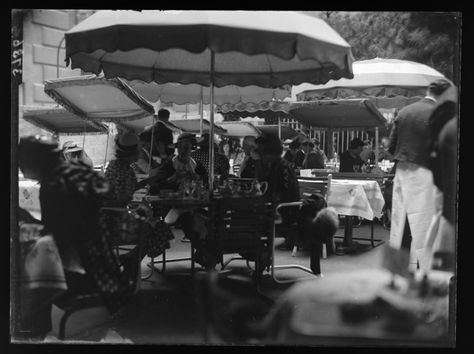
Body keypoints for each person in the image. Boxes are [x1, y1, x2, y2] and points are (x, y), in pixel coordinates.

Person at [18, 135, 136, 338]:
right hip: (104, 266)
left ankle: (33, 331)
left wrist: (27, 223)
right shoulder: (76, 172)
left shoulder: (54, 184)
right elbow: (102, 192)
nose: (21, 169)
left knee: (26, 278)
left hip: (83, 272)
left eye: (23, 163)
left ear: (36, 161)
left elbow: (59, 237)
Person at [387, 78, 452, 271]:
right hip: (427, 172)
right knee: (425, 224)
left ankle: (396, 269)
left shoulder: (405, 111)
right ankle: (424, 271)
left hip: (402, 170)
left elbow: (391, 147)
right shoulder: (442, 114)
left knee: (400, 222)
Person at [102, 131, 174, 259]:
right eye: (139, 151)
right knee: (159, 228)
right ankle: (132, 260)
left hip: (108, 218)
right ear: (132, 153)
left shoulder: (116, 165)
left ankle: (132, 259)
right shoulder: (124, 170)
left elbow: (126, 190)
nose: (141, 153)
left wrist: (149, 181)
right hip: (116, 221)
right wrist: (139, 208)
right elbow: (122, 198)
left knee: (156, 225)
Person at [255, 133, 300, 250]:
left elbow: (285, 195)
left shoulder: (282, 167)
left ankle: (256, 249)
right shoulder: (271, 165)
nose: (259, 154)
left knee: (249, 216)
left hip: (284, 211)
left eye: (261, 151)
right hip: (275, 207)